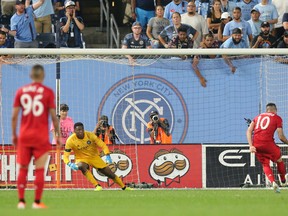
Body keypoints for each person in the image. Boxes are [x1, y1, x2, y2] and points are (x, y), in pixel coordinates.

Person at [11, 64, 60, 209]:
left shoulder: (21, 91)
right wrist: (58, 136)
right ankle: (37, 202)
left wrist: (14, 134)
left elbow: (14, 116)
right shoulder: (48, 92)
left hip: (24, 135)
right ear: (43, 75)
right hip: (40, 137)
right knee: (39, 169)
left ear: (31, 75)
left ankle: (21, 201)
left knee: (22, 168)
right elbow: (53, 116)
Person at [63, 122, 133, 191]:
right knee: (81, 166)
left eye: (82, 129)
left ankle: (124, 187)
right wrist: (69, 164)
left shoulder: (90, 135)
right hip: (82, 158)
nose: (81, 131)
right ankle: (97, 185)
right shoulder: (70, 140)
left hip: (94, 157)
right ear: (74, 131)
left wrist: (107, 155)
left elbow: (103, 145)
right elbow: (65, 156)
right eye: (78, 130)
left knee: (110, 174)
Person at [246, 103, 288, 193]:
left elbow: (249, 130)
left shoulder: (257, 117)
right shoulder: (277, 117)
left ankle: (273, 182)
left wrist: (251, 146)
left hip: (256, 144)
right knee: (279, 160)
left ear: (267, 110)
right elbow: (281, 136)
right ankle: (283, 181)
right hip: (268, 144)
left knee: (265, 164)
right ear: (275, 110)